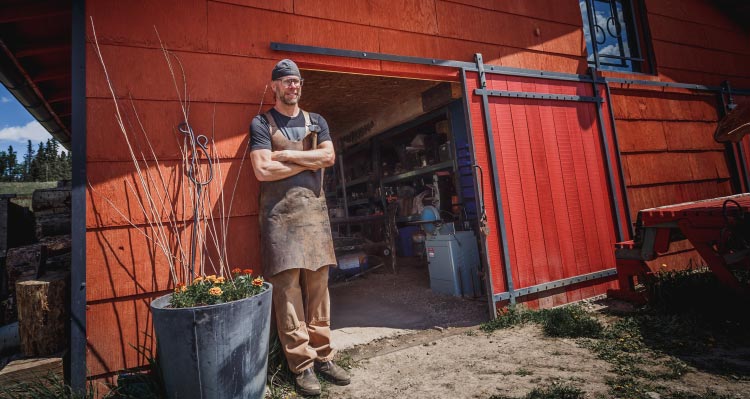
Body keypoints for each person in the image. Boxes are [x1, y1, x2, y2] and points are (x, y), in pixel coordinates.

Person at [249, 59, 350, 396]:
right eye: (286, 82)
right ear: (275, 86)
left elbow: (328, 158)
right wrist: (307, 159)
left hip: (314, 217)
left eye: (297, 82)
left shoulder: (316, 121)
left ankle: (324, 356)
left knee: (320, 287)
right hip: (280, 219)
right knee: (288, 291)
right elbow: (262, 171)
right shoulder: (261, 123)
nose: (293, 87)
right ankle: (302, 366)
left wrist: (286, 157)